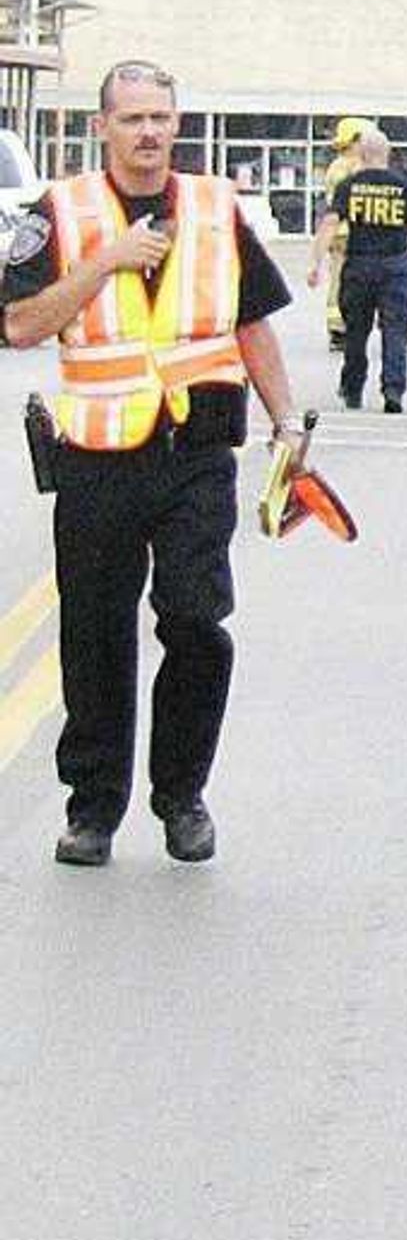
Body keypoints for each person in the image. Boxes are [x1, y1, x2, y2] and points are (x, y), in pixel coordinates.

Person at [2, 59, 305, 868]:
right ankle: (93, 810)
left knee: (198, 624)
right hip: (99, 460)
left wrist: (286, 422)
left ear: (178, 124)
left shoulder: (214, 208)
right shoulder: (59, 212)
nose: (149, 133)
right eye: (133, 119)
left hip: (198, 455)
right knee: (96, 638)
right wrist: (105, 261)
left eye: (161, 118)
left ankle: (182, 796)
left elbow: (252, 325)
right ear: (103, 126)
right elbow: (22, 325)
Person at [325, 125, 407, 414]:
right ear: (388, 154)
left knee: (356, 332)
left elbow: (330, 222)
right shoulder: (405, 186)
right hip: (394, 267)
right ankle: (393, 390)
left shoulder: (350, 185)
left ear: (361, 152)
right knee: (395, 330)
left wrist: (315, 260)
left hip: (359, 265)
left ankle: (352, 389)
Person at [310, 115, 371, 345]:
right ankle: (339, 327)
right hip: (346, 232)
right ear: (354, 140)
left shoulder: (340, 165)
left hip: (346, 231)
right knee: (343, 279)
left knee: (344, 279)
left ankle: (341, 325)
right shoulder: (346, 167)